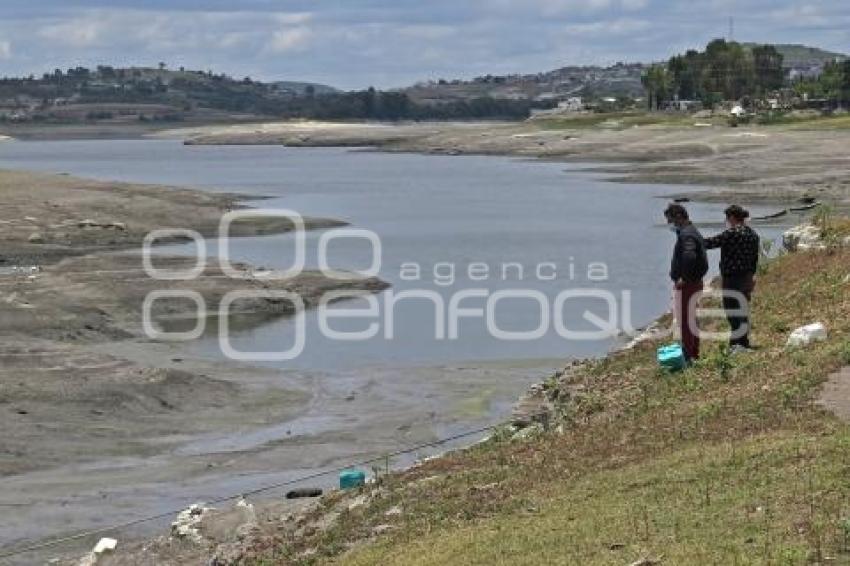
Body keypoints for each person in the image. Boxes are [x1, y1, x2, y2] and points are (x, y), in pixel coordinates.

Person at [704, 205, 760, 352]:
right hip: (746, 277)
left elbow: (709, 243)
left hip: (732, 279)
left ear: (732, 218)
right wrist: (752, 276)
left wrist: (693, 239)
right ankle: (743, 341)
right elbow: (754, 259)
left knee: (732, 311)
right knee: (742, 310)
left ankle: (736, 343)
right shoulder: (753, 235)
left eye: (727, 218)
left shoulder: (731, 234)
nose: (726, 221)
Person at [665, 203, 708, 362]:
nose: (670, 224)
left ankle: (689, 354)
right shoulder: (692, 231)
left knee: (686, 320)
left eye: (671, 220)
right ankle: (693, 352)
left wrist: (683, 277)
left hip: (688, 284)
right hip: (695, 282)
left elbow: (689, 256)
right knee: (692, 318)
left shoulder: (687, 234)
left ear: (678, 217)